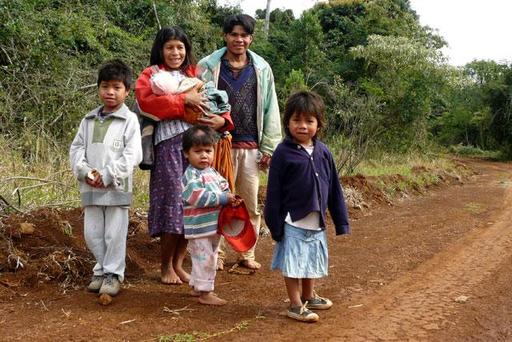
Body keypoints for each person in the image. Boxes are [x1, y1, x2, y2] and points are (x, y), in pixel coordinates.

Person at [135, 26, 234, 285]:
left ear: (186, 50)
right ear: (160, 49)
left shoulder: (195, 74)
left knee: (192, 205)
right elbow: (147, 103)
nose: (175, 52)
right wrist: (184, 101)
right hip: (168, 145)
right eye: (169, 47)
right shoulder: (150, 75)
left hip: (197, 147)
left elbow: (216, 101)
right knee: (172, 202)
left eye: (180, 47)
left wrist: (223, 121)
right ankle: (165, 266)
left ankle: (179, 265)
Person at [199, 14, 282, 270]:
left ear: (251, 38)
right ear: (225, 36)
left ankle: (247, 252)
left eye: (244, 35)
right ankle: (217, 254)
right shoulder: (208, 66)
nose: (239, 39)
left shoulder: (261, 68)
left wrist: (269, 147)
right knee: (217, 200)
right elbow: (199, 102)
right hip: (217, 144)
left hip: (251, 146)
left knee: (248, 202)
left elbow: (271, 108)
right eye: (234, 34)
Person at [264, 91, 350, 323]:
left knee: (311, 260)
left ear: (319, 124)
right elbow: (273, 192)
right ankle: (294, 304)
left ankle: (309, 296)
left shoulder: (324, 152)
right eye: (296, 120)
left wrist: (341, 221)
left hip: (317, 221)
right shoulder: (283, 153)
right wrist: (273, 223)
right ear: (288, 122)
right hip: (292, 220)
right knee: (293, 263)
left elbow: (334, 189)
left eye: (309, 121)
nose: (302, 126)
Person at [69, 59, 142, 296]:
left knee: (114, 233)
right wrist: (85, 171)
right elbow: (77, 148)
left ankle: (112, 274)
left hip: (116, 187)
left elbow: (133, 154)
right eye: (105, 86)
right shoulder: (88, 120)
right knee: (92, 234)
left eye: (116, 87)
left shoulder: (129, 120)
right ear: (98, 88)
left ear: (127, 91)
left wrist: (108, 174)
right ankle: (101, 269)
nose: (110, 92)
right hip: (90, 186)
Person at [181, 125, 237, 305]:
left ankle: (197, 286)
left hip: (212, 226)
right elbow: (198, 197)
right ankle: (205, 293)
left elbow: (224, 186)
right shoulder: (190, 175)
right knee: (206, 259)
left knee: (205, 257)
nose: (204, 155)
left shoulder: (212, 172)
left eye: (208, 150)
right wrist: (222, 198)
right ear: (186, 154)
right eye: (198, 151)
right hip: (199, 227)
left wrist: (230, 197)